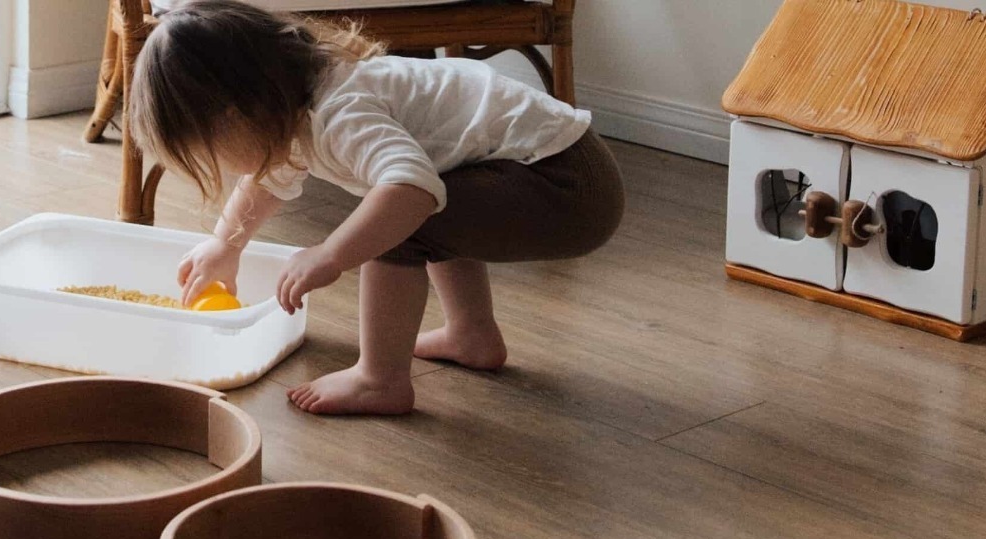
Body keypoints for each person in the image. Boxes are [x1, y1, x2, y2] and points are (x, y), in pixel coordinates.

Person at [130, 0, 624, 414]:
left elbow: (409, 188)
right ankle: (470, 334)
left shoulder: (340, 110)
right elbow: (270, 178)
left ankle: (379, 379)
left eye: (209, 152)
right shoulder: (289, 109)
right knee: (430, 200)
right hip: (550, 169)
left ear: (239, 114)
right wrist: (226, 244)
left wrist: (331, 253)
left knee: (399, 219)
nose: (222, 166)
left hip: (567, 184)